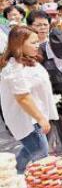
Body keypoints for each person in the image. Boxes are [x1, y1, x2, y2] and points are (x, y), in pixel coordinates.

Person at [0, 26, 57, 173]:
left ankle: (14, 173)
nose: (37, 45)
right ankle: (44, 187)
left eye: (37, 42)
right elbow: (23, 98)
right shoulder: (13, 68)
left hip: (37, 115)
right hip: (28, 120)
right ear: (19, 44)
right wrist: (40, 118)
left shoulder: (28, 59)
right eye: (33, 42)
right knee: (41, 156)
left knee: (28, 150)